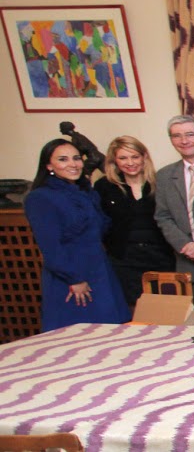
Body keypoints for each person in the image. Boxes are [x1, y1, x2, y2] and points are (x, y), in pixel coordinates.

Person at [26, 139, 131, 330]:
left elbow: (99, 231)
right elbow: (50, 246)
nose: (73, 164)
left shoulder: (87, 192)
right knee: (79, 333)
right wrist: (74, 279)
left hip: (100, 270)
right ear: (49, 165)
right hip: (70, 275)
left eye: (76, 158)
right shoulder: (40, 197)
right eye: (63, 159)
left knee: (111, 331)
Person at [95, 136, 173, 307]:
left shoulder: (161, 183)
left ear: (144, 157)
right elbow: (98, 224)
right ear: (114, 161)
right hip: (124, 261)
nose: (130, 163)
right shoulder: (104, 187)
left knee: (166, 310)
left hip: (161, 259)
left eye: (135, 157)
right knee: (133, 312)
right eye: (123, 158)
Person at [152, 115, 194, 306]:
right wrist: (186, 246)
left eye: (190, 134)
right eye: (177, 136)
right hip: (188, 265)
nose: (184, 141)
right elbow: (163, 217)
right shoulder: (165, 175)